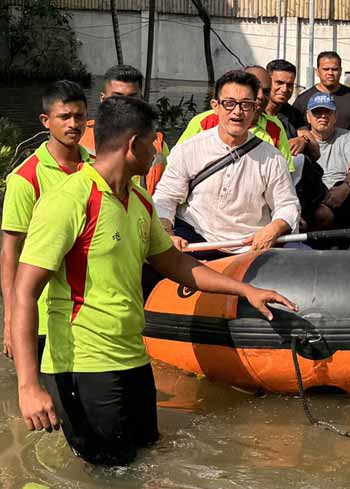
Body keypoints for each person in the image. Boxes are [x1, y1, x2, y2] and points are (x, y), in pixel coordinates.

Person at [10, 95, 297, 465]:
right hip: (83, 363)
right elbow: (24, 292)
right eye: (152, 144)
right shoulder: (68, 201)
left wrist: (245, 290)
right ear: (133, 145)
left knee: (145, 458)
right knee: (110, 477)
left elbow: (177, 265)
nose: (157, 155)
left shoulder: (140, 200)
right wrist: (28, 386)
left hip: (132, 356)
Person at [153, 70, 301, 262]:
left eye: (246, 105)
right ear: (215, 106)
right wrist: (167, 234)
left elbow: (287, 205)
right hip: (195, 241)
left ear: (256, 107)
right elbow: (165, 198)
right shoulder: (189, 149)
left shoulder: (272, 158)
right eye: (229, 104)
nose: (237, 112)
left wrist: (274, 229)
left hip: (249, 248)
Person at [1, 81, 89, 360]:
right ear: (46, 121)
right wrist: (11, 319)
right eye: (64, 117)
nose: (73, 124)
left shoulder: (96, 169)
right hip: (41, 313)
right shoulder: (25, 178)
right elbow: (9, 252)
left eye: (79, 116)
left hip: (88, 312)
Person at [79, 65, 169, 195]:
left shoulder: (156, 144)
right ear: (103, 99)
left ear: (141, 100)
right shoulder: (79, 138)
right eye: (117, 98)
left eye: (132, 98)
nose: (126, 105)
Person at [177, 66, 293, 166]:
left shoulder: (275, 127)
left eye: (266, 91)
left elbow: (284, 175)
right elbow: (178, 164)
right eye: (255, 90)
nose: (261, 96)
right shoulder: (203, 122)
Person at [306, 92, 350, 230]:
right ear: (308, 117)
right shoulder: (302, 140)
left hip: (342, 195)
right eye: (317, 112)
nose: (322, 116)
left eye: (327, 112)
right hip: (315, 198)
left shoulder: (347, 136)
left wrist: (346, 187)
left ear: (335, 116)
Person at [292, 51, 350, 148]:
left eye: (334, 69)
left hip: (347, 158)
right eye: (326, 69)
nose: (330, 73)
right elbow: (294, 134)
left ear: (340, 71)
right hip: (313, 159)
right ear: (317, 72)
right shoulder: (303, 100)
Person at [264, 59, 320, 161]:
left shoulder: (293, 114)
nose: (285, 89)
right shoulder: (253, 111)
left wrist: (303, 140)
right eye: (279, 83)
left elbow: (316, 152)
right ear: (267, 82)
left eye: (289, 85)